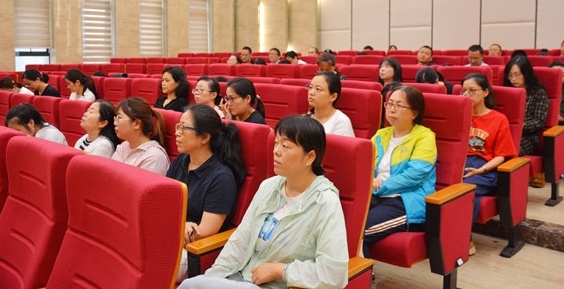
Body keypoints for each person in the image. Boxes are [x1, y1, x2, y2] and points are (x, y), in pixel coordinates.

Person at [179, 115, 349, 289]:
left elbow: (333, 273)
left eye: (285, 146)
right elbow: (241, 240)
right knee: (193, 285)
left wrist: (281, 270)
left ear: (310, 157)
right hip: (241, 278)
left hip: (277, 286)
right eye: (276, 143)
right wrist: (212, 277)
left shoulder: (325, 202)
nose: (276, 151)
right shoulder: (269, 186)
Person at [167, 105, 246, 281]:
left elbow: (203, 233)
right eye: (177, 126)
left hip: (192, 251)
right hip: (171, 235)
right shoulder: (181, 160)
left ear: (204, 137)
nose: (177, 133)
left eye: (183, 128)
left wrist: (176, 226)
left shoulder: (221, 178)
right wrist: (179, 225)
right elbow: (165, 204)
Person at [363, 86, 437, 258]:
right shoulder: (381, 135)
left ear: (414, 113)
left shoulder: (424, 137)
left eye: (399, 105)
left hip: (405, 201)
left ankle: (361, 274)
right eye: (389, 104)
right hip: (374, 195)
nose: (392, 109)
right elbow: (363, 164)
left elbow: (414, 176)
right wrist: (369, 182)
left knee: (359, 230)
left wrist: (378, 186)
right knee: (338, 222)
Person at [460, 74, 517, 255]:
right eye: (464, 91)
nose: (467, 94)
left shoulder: (499, 119)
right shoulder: (460, 114)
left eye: (472, 90)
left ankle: (461, 237)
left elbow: (502, 155)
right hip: (460, 163)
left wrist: (481, 170)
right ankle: (460, 237)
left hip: (485, 168)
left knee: (462, 191)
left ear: (485, 92)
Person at [504, 57, 549, 187]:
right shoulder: (507, 92)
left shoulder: (538, 93)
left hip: (527, 137)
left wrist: (517, 127)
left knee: (506, 150)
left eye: (517, 75)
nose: (513, 79)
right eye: (510, 75)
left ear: (526, 74)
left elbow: (539, 122)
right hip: (505, 132)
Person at [111, 97, 169, 175]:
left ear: (137, 124)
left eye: (119, 118)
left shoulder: (154, 156)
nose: (115, 123)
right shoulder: (123, 146)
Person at [306, 71, 354, 137]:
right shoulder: (306, 117)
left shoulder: (341, 121)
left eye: (318, 89)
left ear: (333, 97)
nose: (311, 93)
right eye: (310, 87)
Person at [548, 61, 564, 125]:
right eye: (555, 75)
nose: (558, 77)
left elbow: (561, 117)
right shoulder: (539, 91)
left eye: (562, 75)